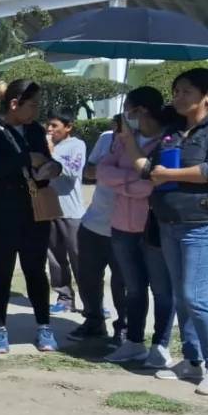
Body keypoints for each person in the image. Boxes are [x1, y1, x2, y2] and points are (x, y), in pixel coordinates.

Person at [118, 69, 208, 393]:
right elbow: (148, 170)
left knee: (195, 298)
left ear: (206, 96)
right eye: (175, 91)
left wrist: (172, 172)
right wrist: (129, 142)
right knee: (182, 299)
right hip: (167, 224)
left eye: (186, 91)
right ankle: (192, 359)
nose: (178, 97)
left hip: (200, 226)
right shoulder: (173, 132)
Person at [0, 79, 62, 354]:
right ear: (14, 104)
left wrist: (52, 167)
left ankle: (44, 326)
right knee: (2, 268)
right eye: (33, 105)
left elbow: (43, 158)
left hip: (34, 208)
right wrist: (25, 159)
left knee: (36, 268)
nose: (37, 111)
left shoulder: (34, 131)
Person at [97, 87, 176, 368]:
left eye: (127, 109)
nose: (123, 116)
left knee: (163, 290)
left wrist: (126, 184)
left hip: (153, 226)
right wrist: (132, 182)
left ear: (140, 110)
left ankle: (160, 345)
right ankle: (133, 343)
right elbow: (103, 171)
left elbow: (154, 183)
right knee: (133, 288)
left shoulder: (168, 140)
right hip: (121, 225)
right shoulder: (119, 141)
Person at [68, 121, 127, 342]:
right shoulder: (106, 138)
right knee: (88, 278)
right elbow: (89, 172)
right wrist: (106, 166)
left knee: (123, 281)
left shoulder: (147, 142)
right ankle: (93, 321)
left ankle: (124, 327)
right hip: (93, 223)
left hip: (125, 226)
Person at [44, 108, 87, 314]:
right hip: (49, 209)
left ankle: (92, 302)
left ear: (68, 127)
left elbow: (73, 171)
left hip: (71, 212)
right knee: (55, 258)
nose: (50, 129)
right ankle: (64, 298)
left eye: (55, 126)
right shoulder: (45, 146)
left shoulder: (76, 145)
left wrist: (53, 154)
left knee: (80, 257)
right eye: (49, 125)